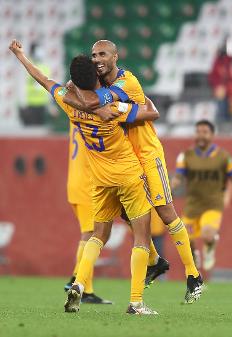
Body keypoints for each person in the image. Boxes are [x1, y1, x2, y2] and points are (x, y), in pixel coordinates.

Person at [9, 40, 161, 315]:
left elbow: (42, 79)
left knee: (97, 236)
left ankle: (79, 283)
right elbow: (150, 113)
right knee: (141, 236)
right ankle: (136, 302)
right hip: (127, 174)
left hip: (99, 179)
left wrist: (20, 55)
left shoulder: (68, 103)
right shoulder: (112, 107)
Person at [62, 40, 203, 304]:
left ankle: (193, 275)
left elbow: (149, 112)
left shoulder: (126, 82)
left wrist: (69, 91)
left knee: (165, 211)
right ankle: (154, 262)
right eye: (93, 55)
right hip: (127, 163)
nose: (97, 59)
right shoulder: (103, 86)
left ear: (116, 56)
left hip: (148, 155)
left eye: (102, 54)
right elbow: (140, 107)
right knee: (130, 216)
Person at [172, 120, 232, 272]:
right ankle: (195, 255)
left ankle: (210, 246)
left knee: (207, 235)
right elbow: (178, 178)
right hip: (192, 206)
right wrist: (169, 189)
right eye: (198, 132)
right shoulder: (186, 156)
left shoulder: (223, 157)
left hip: (213, 204)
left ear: (212, 135)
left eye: (205, 132)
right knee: (184, 241)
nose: (201, 136)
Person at [63, 118, 112, 305]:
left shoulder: (74, 114)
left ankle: (86, 289)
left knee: (90, 233)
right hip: (87, 185)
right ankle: (76, 279)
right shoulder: (91, 117)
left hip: (74, 183)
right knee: (93, 234)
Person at [19, 42, 51, 125]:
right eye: (39, 50)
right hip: (30, 105)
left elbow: (49, 86)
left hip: (43, 104)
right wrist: (23, 103)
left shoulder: (45, 67)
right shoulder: (27, 66)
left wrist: (50, 105)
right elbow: (22, 86)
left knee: (41, 131)